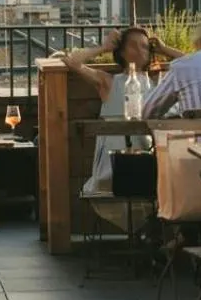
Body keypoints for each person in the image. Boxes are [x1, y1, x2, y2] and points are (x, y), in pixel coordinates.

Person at [64, 25, 155, 194]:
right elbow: (72, 61)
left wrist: (163, 48)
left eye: (144, 46)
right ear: (121, 52)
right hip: (113, 162)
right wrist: (104, 47)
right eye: (133, 45)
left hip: (145, 158)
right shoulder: (110, 81)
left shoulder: (156, 83)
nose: (140, 50)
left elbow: (193, 65)